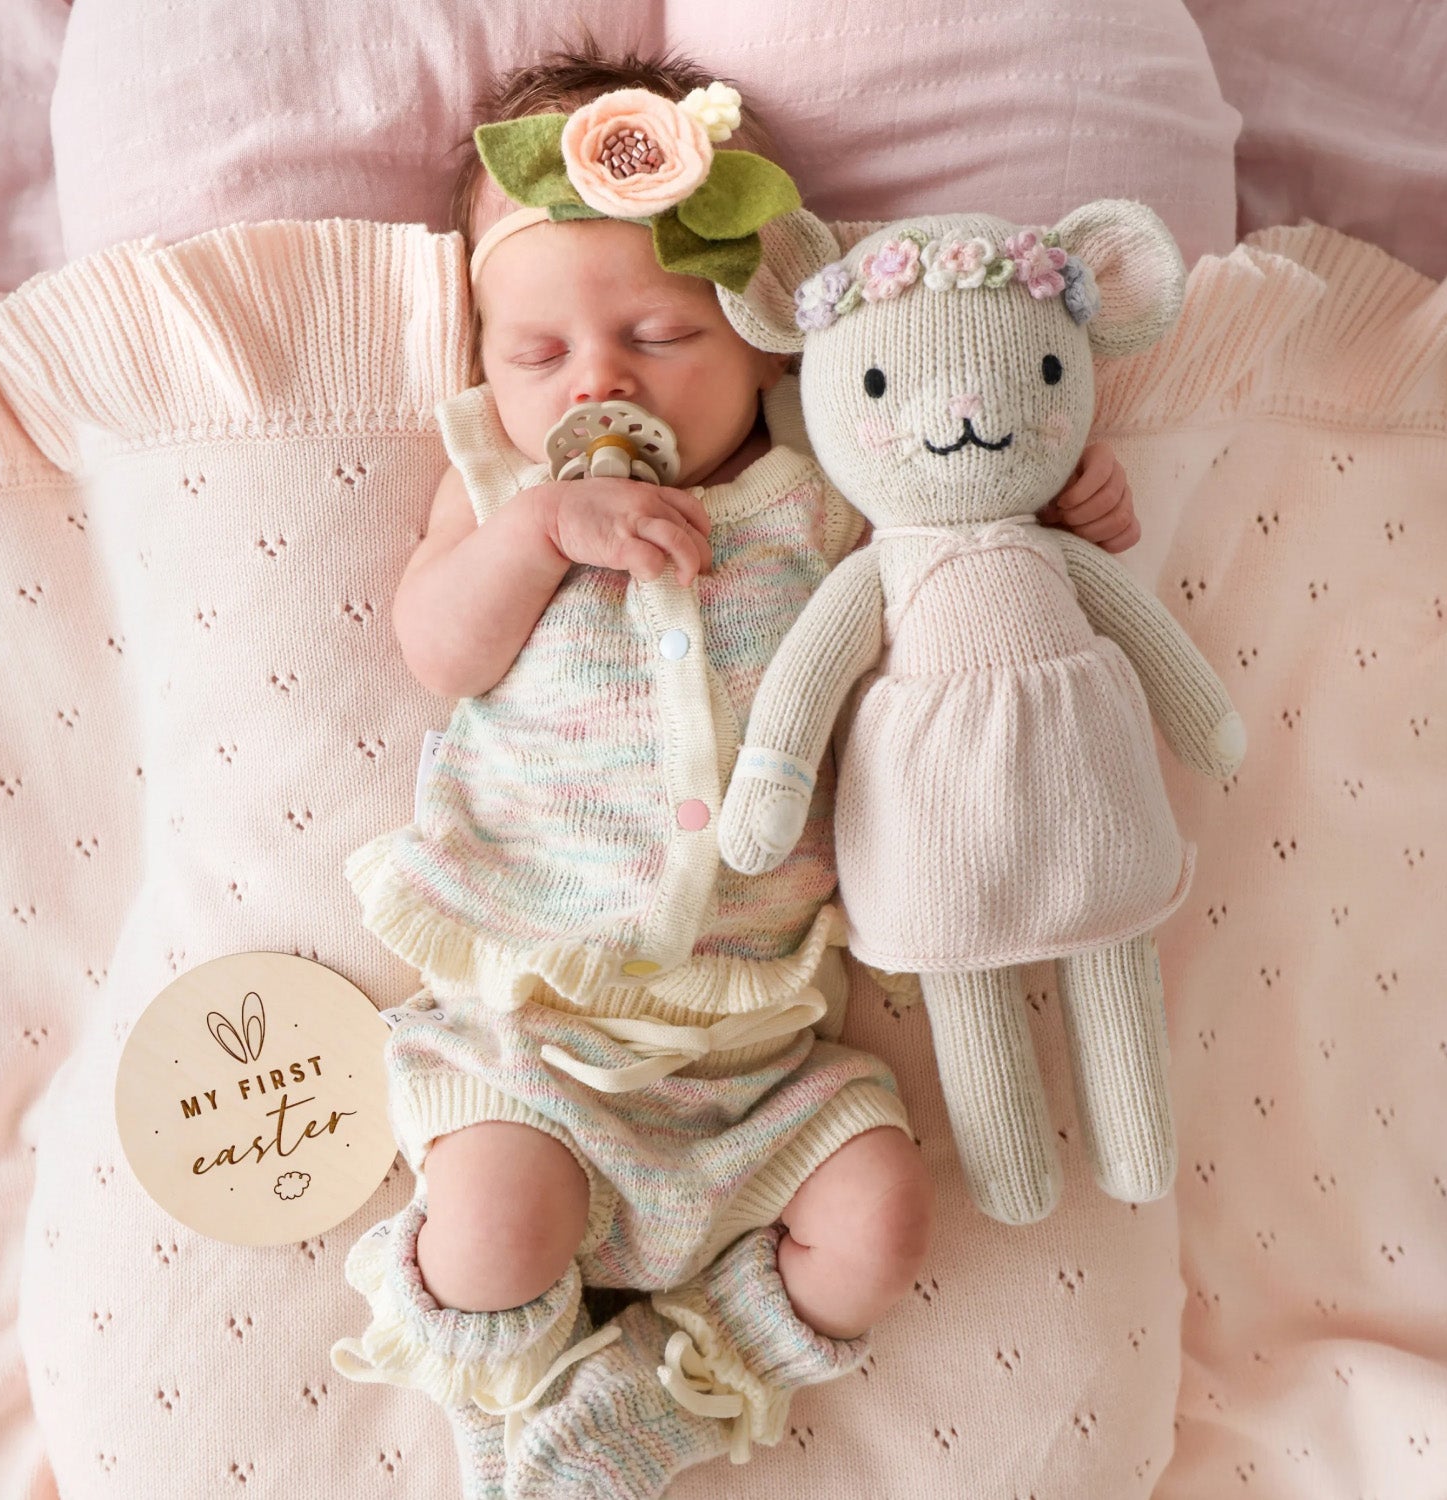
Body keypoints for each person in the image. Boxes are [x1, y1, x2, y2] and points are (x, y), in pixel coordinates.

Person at [330, 42, 1142, 1500]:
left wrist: (1049, 494)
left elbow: (963, 563)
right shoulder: (499, 488)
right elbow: (438, 650)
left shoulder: (819, 496)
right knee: (494, 1226)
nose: (599, 381)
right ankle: (512, 1395)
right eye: (537, 355)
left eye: (659, 333)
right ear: (482, 361)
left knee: (880, 1221)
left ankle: (675, 1391)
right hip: (541, 1033)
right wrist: (539, 535)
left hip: (766, 1051)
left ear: (768, 342)